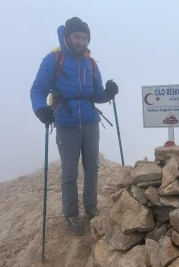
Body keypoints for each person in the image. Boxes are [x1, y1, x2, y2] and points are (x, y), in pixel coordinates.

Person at [30, 17, 119, 235]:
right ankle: (71, 214)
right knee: (70, 173)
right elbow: (38, 90)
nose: (81, 41)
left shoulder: (90, 63)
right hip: (65, 124)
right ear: (68, 37)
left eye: (85, 38)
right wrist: (41, 109)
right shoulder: (54, 59)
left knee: (92, 169)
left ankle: (90, 207)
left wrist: (108, 93)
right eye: (77, 36)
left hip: (90, 123)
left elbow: (96, 94)